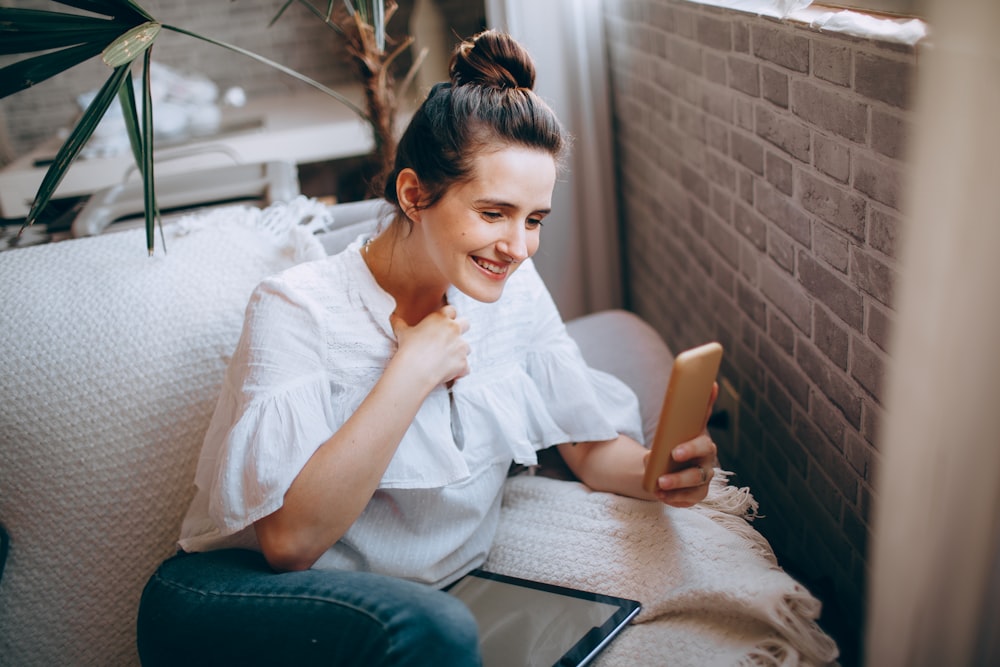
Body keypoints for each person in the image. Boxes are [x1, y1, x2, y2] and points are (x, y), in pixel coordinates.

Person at [137, 29, 718, 666]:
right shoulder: (297, 307)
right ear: (415, 195)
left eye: (534, 220)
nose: (518, 247)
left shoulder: (507, 287)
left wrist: (654, 474)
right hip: (238, 597)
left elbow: (582, 442)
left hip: (416, 608)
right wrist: (410, 370)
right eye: (494, 213)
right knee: (435, 630)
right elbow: (290, 542)